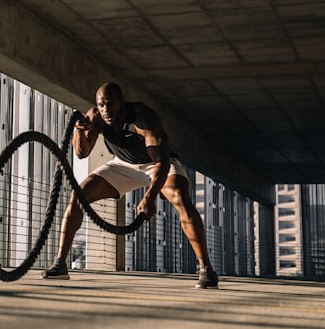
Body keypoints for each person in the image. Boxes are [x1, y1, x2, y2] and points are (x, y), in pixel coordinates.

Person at [41, 82, 218, 289]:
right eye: (102, 105)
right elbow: (82, 153)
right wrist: (80, 132)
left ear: (122, 103)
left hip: (157, 164)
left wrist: (149, 197)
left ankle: (206, 269)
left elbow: (161, 161)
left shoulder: (143, 117)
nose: (106, 110)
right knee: (78, 196)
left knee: (180, 198)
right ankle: (60, 264)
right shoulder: (97, 116)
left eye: (111, 104)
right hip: (123, 164)